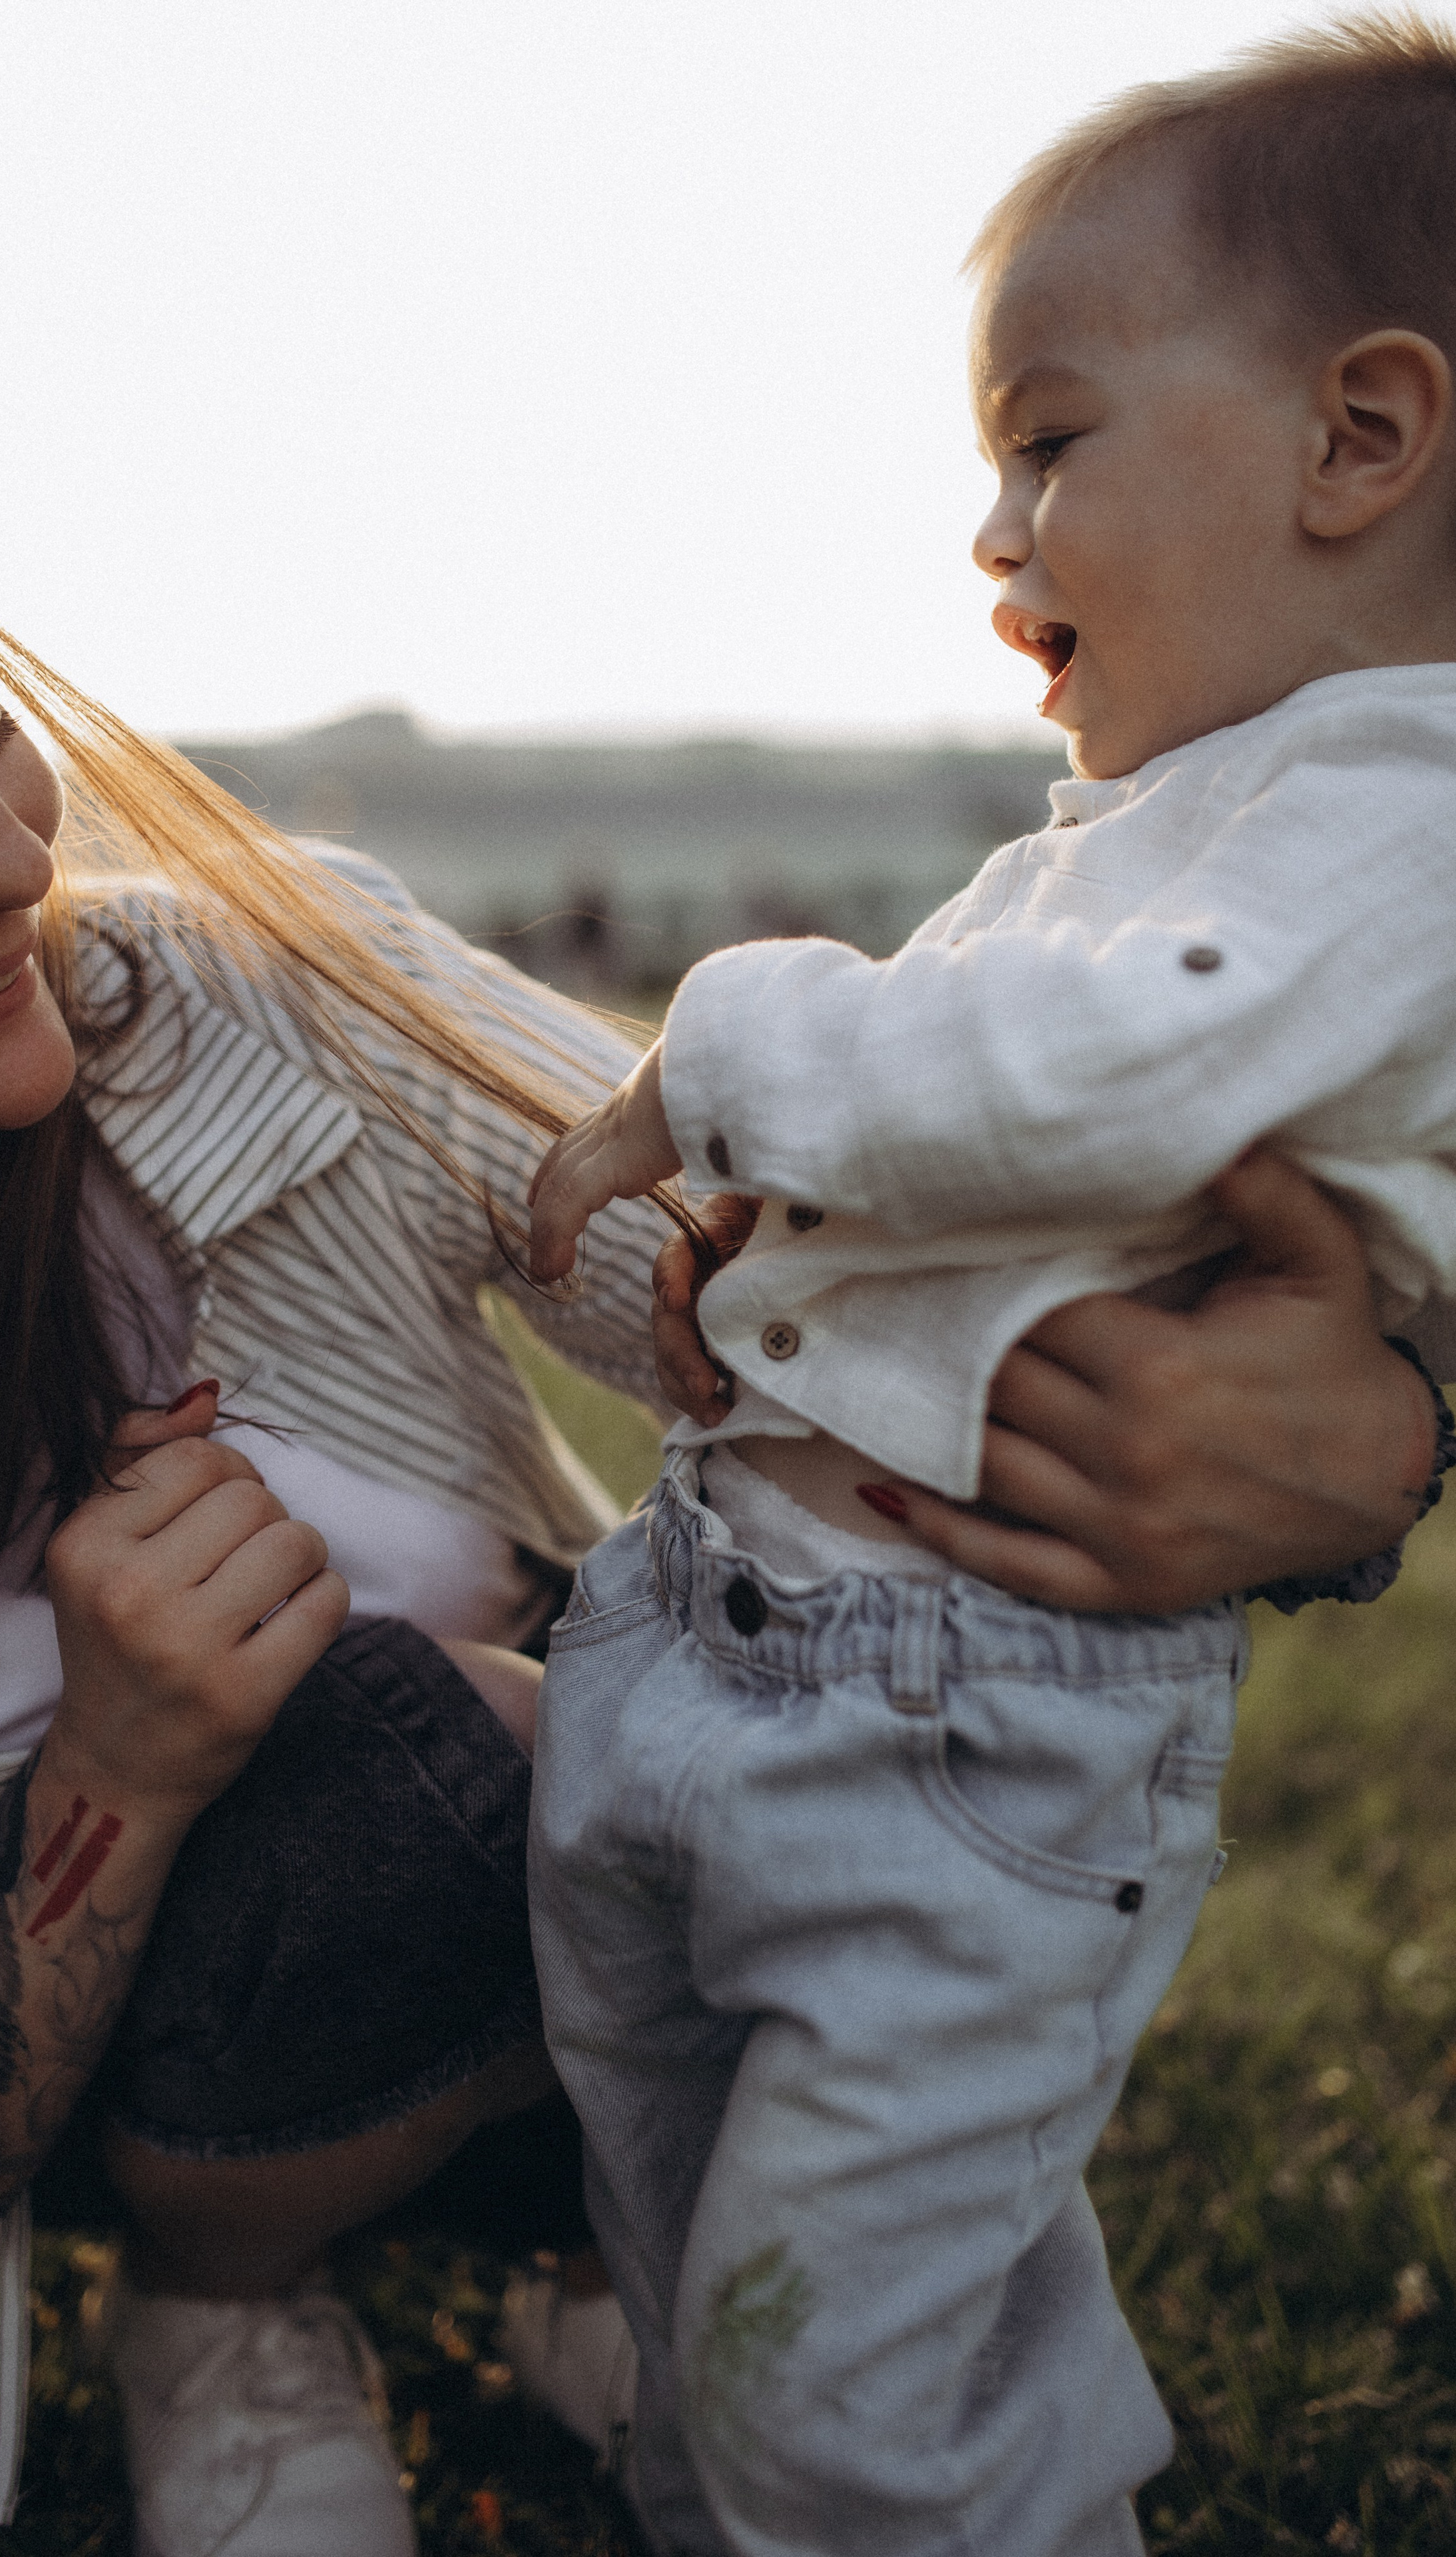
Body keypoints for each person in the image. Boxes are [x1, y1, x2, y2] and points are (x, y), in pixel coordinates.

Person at [0, 375, 1435, 2557]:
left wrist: (1372, 1431)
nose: (5, 864)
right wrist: (113, 1779)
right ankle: (227, 2301)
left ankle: (603, 2251)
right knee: (340, 1732)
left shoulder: (260, 995)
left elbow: (813, 1271)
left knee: (752, 1760)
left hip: (613, 1948)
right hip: (148, 2088)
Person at [524, 21, 1456, 2556]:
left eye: (1047, 443)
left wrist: (720, 1048)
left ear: (1360, 442)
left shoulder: (1394, 809)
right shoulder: (1167, 814)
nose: (992, 532)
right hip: (729, 1647)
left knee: (849, 2375)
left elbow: (1100, 1079)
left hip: (963, 1727)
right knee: (719, 2292)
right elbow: (984, 1123)